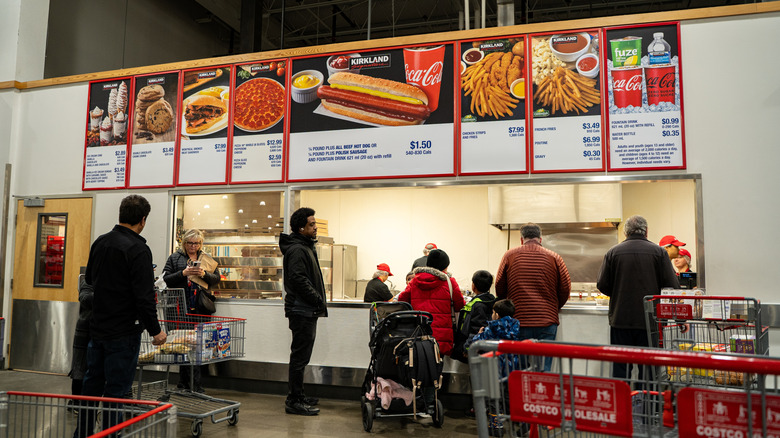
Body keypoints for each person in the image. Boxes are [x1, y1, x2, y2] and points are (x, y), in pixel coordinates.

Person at [76, 195, 166, 437]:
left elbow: (91, 280)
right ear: (143, 220)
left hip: (98, 329)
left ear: (121, 214)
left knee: (91, 386)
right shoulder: (139, 250)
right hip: (124, 333)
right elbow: (144, 298)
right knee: (116, 392)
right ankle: (110, 434)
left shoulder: (101, 242)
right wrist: (156, 331)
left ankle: (83, 433)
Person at [597, 215, 680, 381]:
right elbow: (672, 287)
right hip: (650, 322)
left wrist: (619, 293)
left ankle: (623, 403)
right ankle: (646, 404)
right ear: (646, 231)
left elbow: (602, 284)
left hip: (620, 320)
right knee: (648, 369)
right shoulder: (659, 253)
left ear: (626, 232)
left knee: (621, 368)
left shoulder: (612, 252)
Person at [495, 223, 570, 371]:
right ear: (540, 239)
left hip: (519, 320)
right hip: (547, 322)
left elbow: (499, 286)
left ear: (522, 239)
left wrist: (509, 306)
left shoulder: (509, 255)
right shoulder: (555, 257)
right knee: (544, 369)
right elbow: (565, 288)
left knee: (521, 368)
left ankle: (522, 394)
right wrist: (553, 307)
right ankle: (542, 393)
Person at [280, 207, 328, 416]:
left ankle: (298, 395)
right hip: (302, 309)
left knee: (302, 356)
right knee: (299, 357)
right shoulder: (298, 249)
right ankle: (294, 400)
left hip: (305, 309)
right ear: (301, 228)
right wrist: (316, 299)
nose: (315, 227)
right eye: (311, 224)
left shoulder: (304, 246)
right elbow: (298, 279)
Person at [162, 228, 220, 393]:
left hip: (200, 309)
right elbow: (165, 280)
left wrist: (203, 274)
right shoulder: (175, 258)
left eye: (196, 243)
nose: (192, 246)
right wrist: (183, 273)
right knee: (183, 346)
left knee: (198, 346)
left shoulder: (206, 259)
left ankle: (194, 384)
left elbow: (216, 279)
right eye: (189, 243)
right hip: (181, 308)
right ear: (184, 243)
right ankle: (186, 383)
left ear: (200, 244)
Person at [397, 249, 465, 356]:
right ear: (445, 266)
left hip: (419, 330)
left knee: (420, 361)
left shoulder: (414, 281)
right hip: (442, 333)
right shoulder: (449, 281)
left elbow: (401, 301)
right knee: (438, 360)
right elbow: (460, 305)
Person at [451, 270, 496, 363]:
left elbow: (476, 329)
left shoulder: (477, 305)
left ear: (473, 286)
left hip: (474, 348)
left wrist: (468, 348)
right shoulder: (492, 301)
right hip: (486, 346)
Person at [68, 274, 93, 411]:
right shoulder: (90, 278)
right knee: (80, 367)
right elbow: (84, 297)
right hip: (86, 329)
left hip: (103, 330)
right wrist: (106, 296)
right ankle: (75, 401)